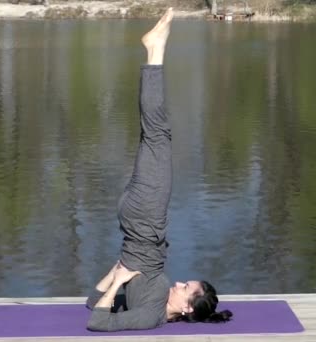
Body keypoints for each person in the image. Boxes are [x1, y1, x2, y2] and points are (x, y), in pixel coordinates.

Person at [85, 8, 233, 332]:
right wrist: (115, 273)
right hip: (137, 221)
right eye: (185, 283)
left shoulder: (153, 314)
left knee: (157, 133)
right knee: (151, 134)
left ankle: (155, 50)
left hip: (146, 216)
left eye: (185, 289)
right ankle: (155, 49)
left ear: (186, 309)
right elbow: (89, 302)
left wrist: (117, 282)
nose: (179, 283)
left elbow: (96, 322)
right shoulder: (155, 298)